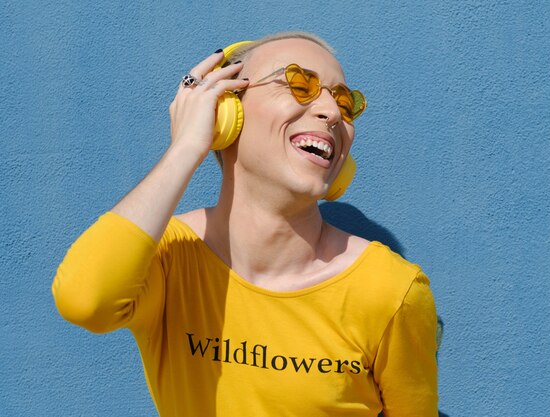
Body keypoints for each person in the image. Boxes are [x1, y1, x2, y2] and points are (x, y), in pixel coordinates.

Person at [52, 31, 438, 417]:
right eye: (299, 84)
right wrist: (186, 146)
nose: (333, 113)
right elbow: (85, 301)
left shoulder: (389, 290)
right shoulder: (168, 256)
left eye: (345, 102)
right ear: (226, 114)